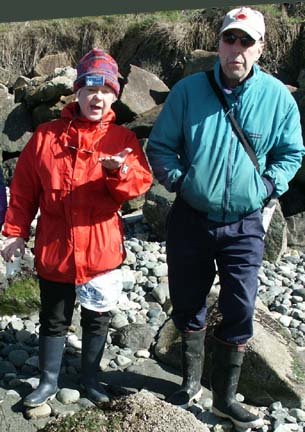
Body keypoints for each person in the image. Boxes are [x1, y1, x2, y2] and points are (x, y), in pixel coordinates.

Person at [147, 7, 305, 430]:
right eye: (230, 39)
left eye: (246, 41)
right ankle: (189, 382)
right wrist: (181, 180)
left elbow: (292, 153)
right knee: (187, 301)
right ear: (218, 43)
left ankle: (225, 399)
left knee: (240, 307)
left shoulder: (277, 98)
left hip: (245, 223)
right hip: (191, 217)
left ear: (261, 48)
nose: (236, 48)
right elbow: (160, 146)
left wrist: (269, 187)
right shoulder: (187, 91)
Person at [1, 48, 152, 407]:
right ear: (77, 93)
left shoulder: (123, 140)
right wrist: (16, 232)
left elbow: (137, 188)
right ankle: (48, 381)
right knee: (54, 318)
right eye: (89, 89)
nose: (96, 97)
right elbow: (23, 191)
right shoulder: (45, 136)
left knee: (97, 320)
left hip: (101, 248)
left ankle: (91, 379)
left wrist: (118, 172)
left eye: (105, 90)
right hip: (55, 247)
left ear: (114, 95)